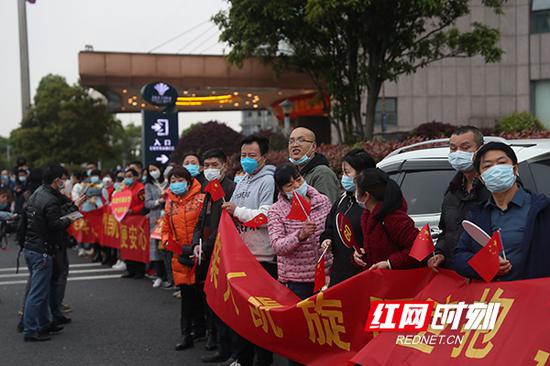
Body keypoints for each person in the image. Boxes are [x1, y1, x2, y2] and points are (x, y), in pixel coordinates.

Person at [453, 142, 550, 281]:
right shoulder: (477, 215)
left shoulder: (542, 209)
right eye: (487, 166)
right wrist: (484, 265)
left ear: (515, 169)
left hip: (534, 296)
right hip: (496, 297)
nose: (496, 169)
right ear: (481, 178)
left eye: (501, 163)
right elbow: (459, 256)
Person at [221, 135, 277, 366]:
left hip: (263, 257)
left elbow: (267, 215)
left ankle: (263, 360)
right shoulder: (242, 181)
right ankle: (241, 358)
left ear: (263, 157)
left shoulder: (269, 181)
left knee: (261, 313)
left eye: (252, 156)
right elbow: (231, 212)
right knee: (241, 311)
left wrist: (236, 211)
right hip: (241, 256)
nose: (247, 160)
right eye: (243, 156)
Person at [191, 148, 237, 363]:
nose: (209, 169)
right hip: (207, 251)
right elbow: (201, 221)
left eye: (214, 165)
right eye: (206, 165)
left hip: (223, 253)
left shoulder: (231, 189)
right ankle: (219, 344)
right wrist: (195, 244)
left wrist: (206, 246)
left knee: (226, 303)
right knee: (212, 299)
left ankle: (228, 348)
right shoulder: (208, 189)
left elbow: (223, 225)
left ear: (224, 166)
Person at [22, 165, 77, 341]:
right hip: (42, 249)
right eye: (63, 178)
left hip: (32, 247)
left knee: (42, 290)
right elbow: (54, 225)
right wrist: (70, 218)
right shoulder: (50, 200)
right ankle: (30, 330)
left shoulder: (38, 192)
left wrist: (73, 207)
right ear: (56, 180)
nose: (65, 181)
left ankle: (44, 324)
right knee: (37, 293)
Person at [428, 127, 490, 271]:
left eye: (465, 147)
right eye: (453, 148)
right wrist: (440, 253)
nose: (458, 153)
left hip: (486, 274)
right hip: (455, 276)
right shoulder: (452, 192)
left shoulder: (493, 189)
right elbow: (446, 231)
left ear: (481, 149)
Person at [269, 164, 332, 298]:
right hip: (297, 281)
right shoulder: (276, 211)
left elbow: (332, 229)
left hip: (326, 274)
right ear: (282, 190)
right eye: (289, 185)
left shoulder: (323, 201)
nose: (296, 186)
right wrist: (300, 235)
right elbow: (277, 246)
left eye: (299, 180)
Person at [161, 166, 206, 351]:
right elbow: (165, 230)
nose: (176, 184)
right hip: (180, 255)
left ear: (189, 181)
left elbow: (207, 226)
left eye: (180, 180)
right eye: (173, 181)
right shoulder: (169, 203)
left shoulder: (202, 198)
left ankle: (203, 331)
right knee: (187, 297)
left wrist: (199, 246)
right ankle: (186, 334)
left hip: (200, 254)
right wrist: (168, 243)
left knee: (202, 295)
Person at [319, 149, 376, 286]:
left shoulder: (371, 204)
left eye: (347, 172)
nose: (343, 177)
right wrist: (326, 240)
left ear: (362, 174)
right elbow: (330, 227)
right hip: (339, 274)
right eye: (343, 172)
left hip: (363, 275)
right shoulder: (342, 200)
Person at [354, 168, 420, 270]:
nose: (355, 193)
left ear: (366, 195)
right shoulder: (367, 217)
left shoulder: (394, 218)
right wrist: (360, 255)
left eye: (357, 190)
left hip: (400, 281)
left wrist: (390, 263)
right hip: (380, 281)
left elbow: (418, 248)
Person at [287, 127, 340, 203]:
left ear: (313, 146)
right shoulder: (293, 173)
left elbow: (325, 208)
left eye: (301, 140)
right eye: (291, 141)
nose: (295, 145)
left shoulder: (322, 173)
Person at [144, 163, 169, 288]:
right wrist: (158, 201)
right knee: (156, 248)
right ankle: (159, 275)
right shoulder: (149, 185)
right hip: (155, 219)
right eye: (151, 170)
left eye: (155, 169)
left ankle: (169, 276)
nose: (153, 172)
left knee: (167, 247)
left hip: (168, 217)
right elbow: (147, 203)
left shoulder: (168, 182)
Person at [120, 168, 146, 279]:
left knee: (137, 245)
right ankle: (130, 269)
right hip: (126, 220)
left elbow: (143, 204)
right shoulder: (125, 188)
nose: (127, 178)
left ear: (136, 177)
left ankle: (139, 270)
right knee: (128, 245)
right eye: (126, 176)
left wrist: (132, 210)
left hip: (137, 220)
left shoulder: (141, 189)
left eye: (130, 176)